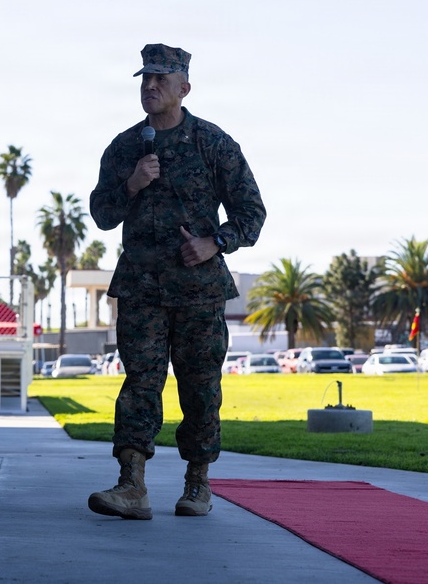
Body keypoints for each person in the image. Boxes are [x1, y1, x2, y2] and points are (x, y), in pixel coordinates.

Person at [87, 44, 266, 520]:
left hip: (199, 290)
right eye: (145, 79)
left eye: (160, 80)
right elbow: (102, 214)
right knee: (140, 384)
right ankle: (132, 486)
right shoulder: (126, 147)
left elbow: (251, 213)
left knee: (200, 388)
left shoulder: (213, 143)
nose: (150, 86)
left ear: (183, 88)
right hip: (141, 288)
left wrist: (215, 242)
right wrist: (132, 185)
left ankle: (198, 484)